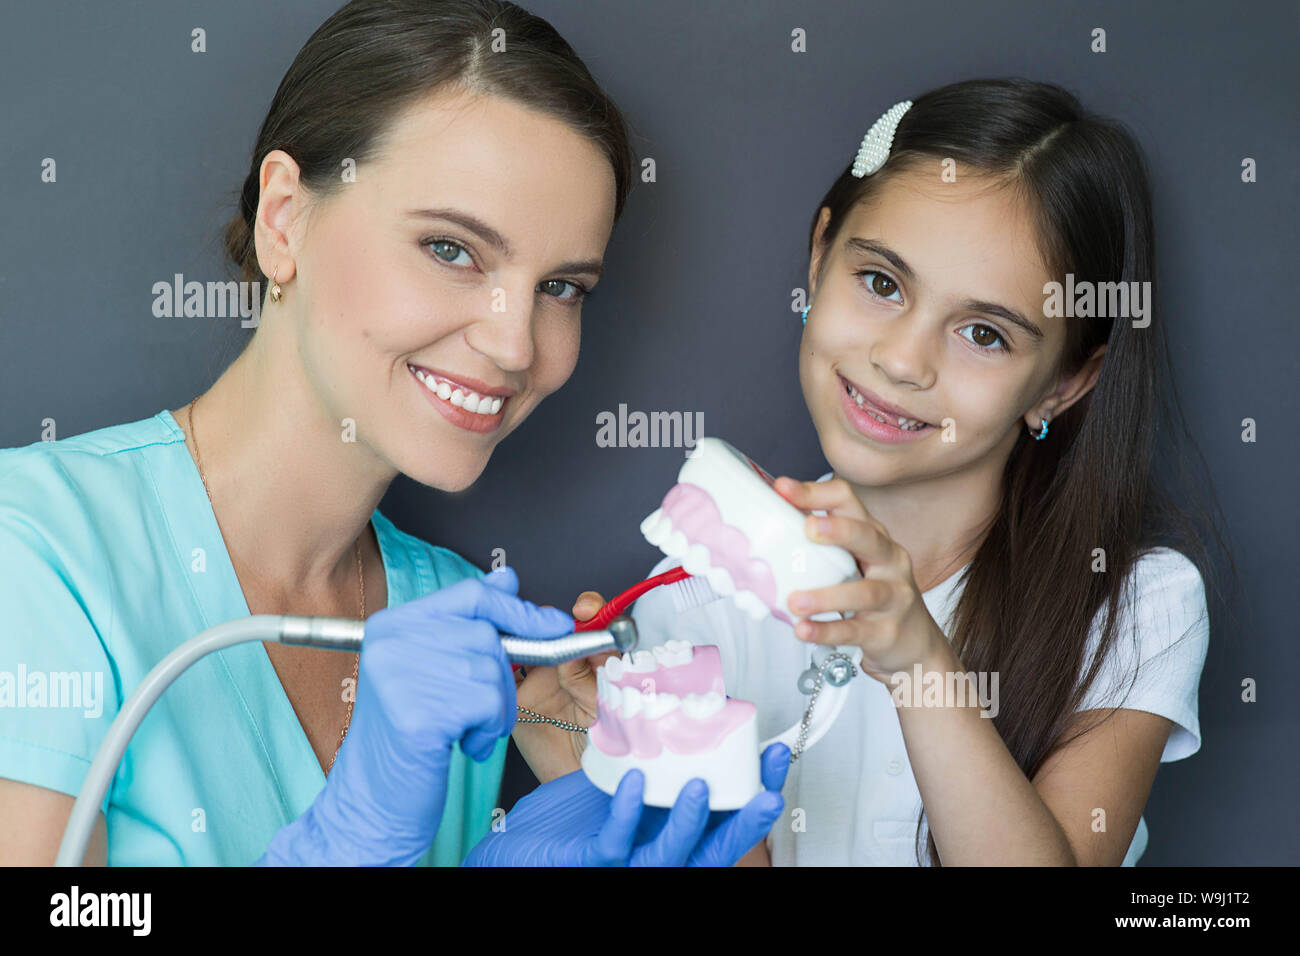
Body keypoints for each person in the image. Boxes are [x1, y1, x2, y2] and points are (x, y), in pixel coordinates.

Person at [0, 0, 783, 867]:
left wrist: (595, 775)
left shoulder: (459, 628)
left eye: (562, 287)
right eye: (452, 250)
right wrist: (344, 845)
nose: (515, 343)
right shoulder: (35, 553)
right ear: (284, 218)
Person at [512, 77, 1235, 866]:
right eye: (882, 283)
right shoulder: (697, 602)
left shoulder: (1133, 607)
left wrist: (919, 660)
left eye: (985, 334)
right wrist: (587, 743)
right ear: (820, 259)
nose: (901, 359)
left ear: (1064, 383)